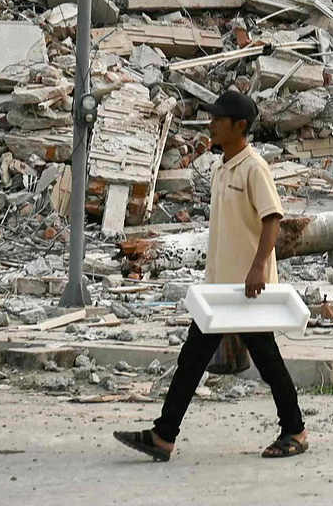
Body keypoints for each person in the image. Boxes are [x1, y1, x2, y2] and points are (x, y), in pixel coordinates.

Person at [114, 89, 308, 462]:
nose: (211, 124)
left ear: (240, 126)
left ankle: (295, 430)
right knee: (192, 360)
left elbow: (273, 219)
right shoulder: (222, 168)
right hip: (221, 289)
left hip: (248, 289)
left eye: (219, 119)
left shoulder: (253, 167)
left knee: (267, 361)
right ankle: (163, 435)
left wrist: (256, 269)